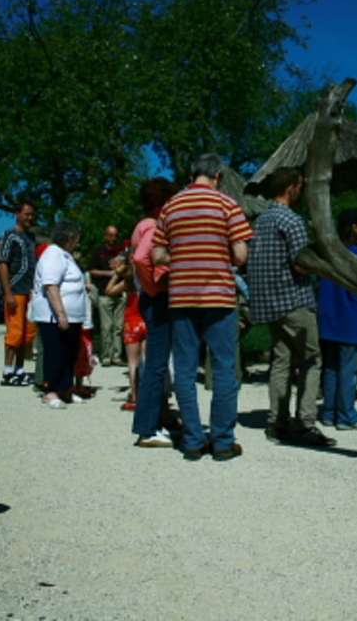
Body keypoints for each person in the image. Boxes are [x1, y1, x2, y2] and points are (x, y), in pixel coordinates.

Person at [152, 154, 254, 461]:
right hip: (219, 298)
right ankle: (222, 442)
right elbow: (240, 256)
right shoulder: (227, 205)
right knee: (224, 368)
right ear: (218, 176)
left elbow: (157, 255)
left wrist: (181, 258)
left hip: (182, 297)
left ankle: (194, 441)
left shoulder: (171, 206)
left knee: (184, 369)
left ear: (192, 174)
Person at [247, 167, 336, 447]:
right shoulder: (292, 220)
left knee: (281, 360)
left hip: (268, 303)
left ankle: (277, 422)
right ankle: (306, 423)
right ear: (291, 188)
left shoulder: (260, 221)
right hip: (294, 300)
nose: (302, 190)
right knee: (312, 359)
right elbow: (300, 262)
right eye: (301, 185)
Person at [131, 177, 179, 449]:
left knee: (155, 362)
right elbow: (140, 258)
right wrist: (155, 287)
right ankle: (147, 428)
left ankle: (157, 418)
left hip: (148, 299)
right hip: (157, 299)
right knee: (157, 364)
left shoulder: (140, 225)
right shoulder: (153, 225)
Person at [317, 208, 357, 430]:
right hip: (351, 319)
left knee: (330, 368)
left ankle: (329, 412)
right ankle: (346, 415)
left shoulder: (329, 252)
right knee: (349, 371)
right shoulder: (356, 255)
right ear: (355, 227)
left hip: (329, 319)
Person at [31, 220, 86, 408]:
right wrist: (61, 314)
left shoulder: (65, 256)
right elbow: (50, 285)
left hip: (73, 316)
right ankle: (50, 391)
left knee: (69, 353)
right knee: (55, 352)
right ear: (69, 237)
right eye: (76, 238)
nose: (78, 242)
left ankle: (65, 389)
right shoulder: (53, 254)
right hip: (53, 315)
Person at [0, 200, 37, 386]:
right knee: (14, 333)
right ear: (18, 214)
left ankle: (19, 369)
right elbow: (2, 263)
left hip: (30, 291)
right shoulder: (9, 236)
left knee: (26, 334)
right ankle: (7, 371)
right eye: (26, 214)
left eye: (31, 214)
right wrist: (8, 292)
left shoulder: (31, 237)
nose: (30, 217)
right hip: (15, 290)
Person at [106, 256, 145, 411]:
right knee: (146, 361)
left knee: (132, 362)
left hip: (132, 322)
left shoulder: (128, 283)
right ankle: (147, 396)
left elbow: (108, 291)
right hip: (147, 321)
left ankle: (135, 398)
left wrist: (117, 274)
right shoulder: (147, 281)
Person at [89, 225, 125, 366]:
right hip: (104, 293)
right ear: (105, 236)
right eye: (110, 235)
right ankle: (106, 356)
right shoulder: (98, 251)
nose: (113, 238)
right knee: (106, 327)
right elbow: (91, 270)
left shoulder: (121, 252)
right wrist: (108, 273)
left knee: (119, 327)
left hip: (120, 294)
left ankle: (116, 356)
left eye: (115, 235)